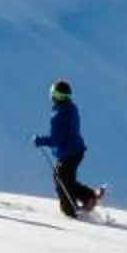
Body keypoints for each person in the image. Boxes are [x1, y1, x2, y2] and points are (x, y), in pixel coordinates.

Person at [33, 79, 101, 218]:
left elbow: (55, 139)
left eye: (52, 94)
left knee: (61, 178)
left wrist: (40, 141)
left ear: (56, 96)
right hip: (75, 150)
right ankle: (88, 196)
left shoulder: (59, 115)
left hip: (69, 152)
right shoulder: (70, 108)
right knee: (63, 177)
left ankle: (70, 210)